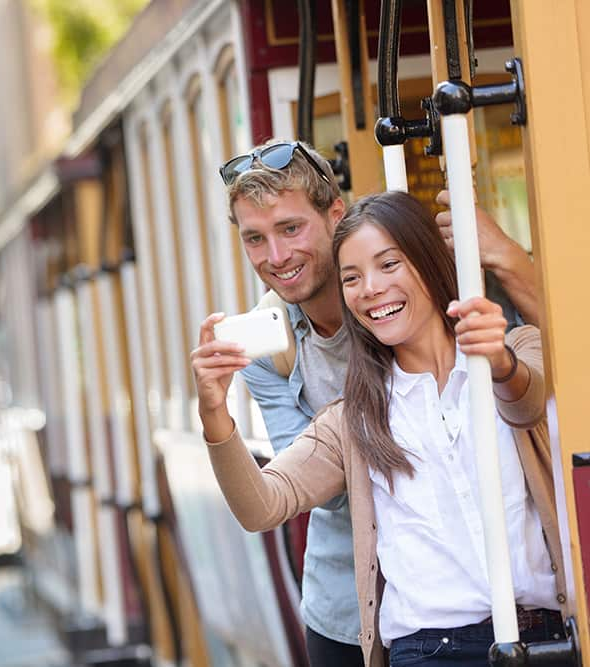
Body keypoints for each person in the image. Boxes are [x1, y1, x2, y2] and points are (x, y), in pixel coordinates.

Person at [195, 140, 539, 666]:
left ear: (336, 215)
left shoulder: (472, 325)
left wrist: (504, 257)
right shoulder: (280, 358)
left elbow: (537, 388)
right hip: (359, 611)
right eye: (255, 239)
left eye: (291, 229)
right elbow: (310, 490)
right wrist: (215, 414)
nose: (277, 256)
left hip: (513, 611)